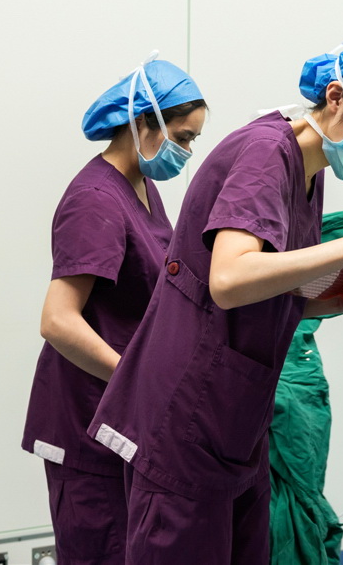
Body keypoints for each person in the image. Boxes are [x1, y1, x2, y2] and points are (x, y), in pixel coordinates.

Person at [88, 39, 343, 564]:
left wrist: (338, 299)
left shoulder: (308, 171)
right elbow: (228, 279)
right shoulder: (267, 151)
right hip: (187, 412)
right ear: (336, 98)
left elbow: (267, 290)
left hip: (237, 416)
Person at [21, 52, 207, 565]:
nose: (187, 151)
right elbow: (58, 321)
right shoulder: (96, 198)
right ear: (142, 122)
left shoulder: (142, 186)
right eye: (183, 137)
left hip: (122, 421)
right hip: (88, 422)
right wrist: (139, 382)